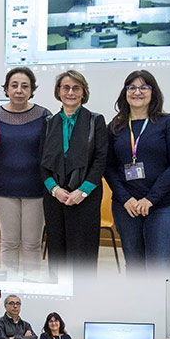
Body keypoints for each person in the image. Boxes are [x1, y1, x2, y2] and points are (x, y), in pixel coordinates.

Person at [105, 70, 170, 272]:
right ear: (125, 93)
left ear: (153, 92)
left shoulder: (168, 123)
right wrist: (126, 199)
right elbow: (108, 167)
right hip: (127, 207)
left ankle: (159, 304)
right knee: (135, 266)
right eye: (131, 87)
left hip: (163, 205)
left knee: (159, 268)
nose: (137, 92)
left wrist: (151, 199)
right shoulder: (115, 126)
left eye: (144, 87)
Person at [40, 70, 107, 272]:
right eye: (66, 87)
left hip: (85, 197)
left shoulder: (96, 121)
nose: (70, 92)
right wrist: (55, 190)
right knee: (58, 256)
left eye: (76, 88)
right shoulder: (48, 122)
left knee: (83, 257)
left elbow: (101, 159)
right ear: (58, 92)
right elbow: (41, 162)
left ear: (83, 92)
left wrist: (83, 191)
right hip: (55, 198)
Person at [0, 68, 51, 276]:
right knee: (9, 242)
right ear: (6, 89)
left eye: (25, 86)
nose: (19, 90)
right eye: (14, 85)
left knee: (32, 244)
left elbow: (50, 154)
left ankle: (32, 288)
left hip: (36, 189)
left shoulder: (44, 116)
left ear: (32, 90)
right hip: (2, 189)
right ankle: (9, 289)